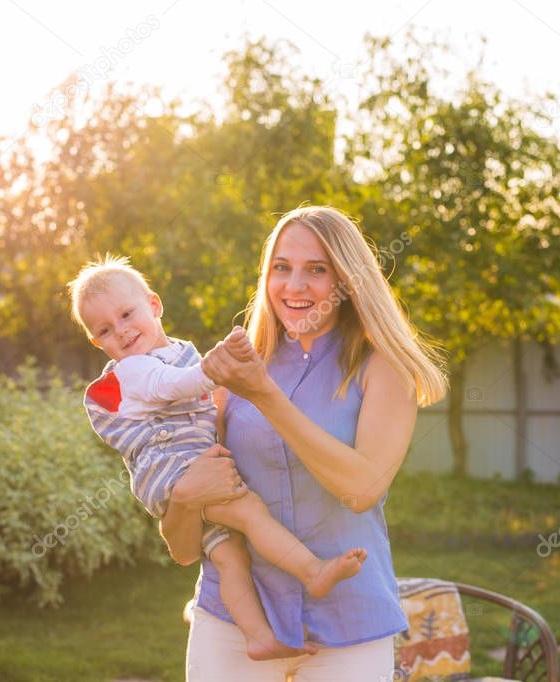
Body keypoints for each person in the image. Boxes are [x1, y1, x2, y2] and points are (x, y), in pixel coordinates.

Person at [161, 206, 447, 681]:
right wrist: (184, 498)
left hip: (349, 625)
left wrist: (265, 395)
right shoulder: (226, 375)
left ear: (348, 280)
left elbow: (362, 489)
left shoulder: (384, 370)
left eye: (317, 269)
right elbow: (184, 548)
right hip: (236, 626)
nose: (295, 286)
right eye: (281, 267)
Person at [67, 255, 368, 661]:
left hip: (184, 466)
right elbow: (175, 385)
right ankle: (313, 572)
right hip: (173, 467)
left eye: (126, 314)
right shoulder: (135, 370)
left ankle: (259, 637)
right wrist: (220, 367)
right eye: (105, 329)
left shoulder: (179, 352)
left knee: (229, 556)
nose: (120, 331)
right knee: (250, 511)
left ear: (154, 305)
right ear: (96, 342)